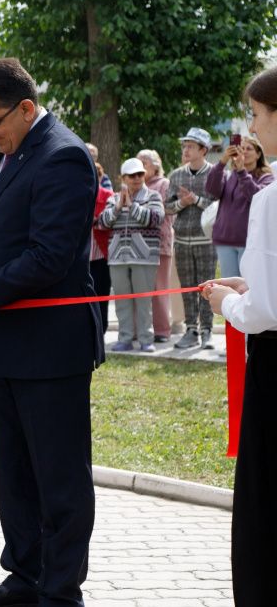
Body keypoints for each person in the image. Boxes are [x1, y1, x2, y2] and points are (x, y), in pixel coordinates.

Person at [0, 58, 103, 607]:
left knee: (58, 478)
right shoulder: (11, 155)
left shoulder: (65, 156)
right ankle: (24, 575)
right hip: (5, 344)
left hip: (50, 347)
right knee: (14, 474)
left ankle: (59, 591)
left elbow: (48, 258)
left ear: (27, 108)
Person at [201, 65, 277, 607]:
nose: (252, 127)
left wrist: (229, 301)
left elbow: (265, 310)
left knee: (264, 509)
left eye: (256, 114)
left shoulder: (271, 198)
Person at [98, 157, 164, 352]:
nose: (137, 178)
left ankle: (146, 339)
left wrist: (132, 206)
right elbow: (102, 223)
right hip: (118, 257)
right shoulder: (112, 199)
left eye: (140, 174)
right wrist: (119, 206)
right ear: (123, 178)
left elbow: (154, 219)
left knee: (144, 301)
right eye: (132, 175)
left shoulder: (153, 196)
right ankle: (125, 338)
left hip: (145, 257)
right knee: (122, 301)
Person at [166, 127, 217, 349]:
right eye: (184, 146)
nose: (185, 150)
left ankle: (207, 330)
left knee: (208, 287)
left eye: (191, 146)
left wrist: (195, 199)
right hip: (182, 240)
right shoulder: (176, 175)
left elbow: (219, 207)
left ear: (203, 150)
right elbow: (168, 208)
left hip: (207, 240)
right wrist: (182, 203)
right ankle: (191, 330)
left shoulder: (215, 174)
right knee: (186, 287)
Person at [205, 135, 273, 278]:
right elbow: (211, 190)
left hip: (250, 242)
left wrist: (242, 172)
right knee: (230, 288)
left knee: (247, 287)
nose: (245, 152)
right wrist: (222, 162)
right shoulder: (230, 175)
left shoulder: (267, 177)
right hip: (225, 240)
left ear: (258, 154)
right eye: (241, 148)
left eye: (249, 149)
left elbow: (256, 198)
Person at [137, 149, 175, 343]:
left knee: (159, 288)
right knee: (140, 288)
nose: (140, 165)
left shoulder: (164, 184)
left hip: (160, 242)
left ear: (156, 165)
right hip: (138, 245)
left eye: (144, 162)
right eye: (138, 161)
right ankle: (139, 329)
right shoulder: (135, 184)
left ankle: (162, 330)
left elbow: (169, 211)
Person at [89, 162, 113, 345]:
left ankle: (101, 332)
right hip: (81, 258)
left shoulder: (107, 196)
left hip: (101, 255)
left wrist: (95, 220)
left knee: (101, 297)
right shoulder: (77, 194)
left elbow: (108, 221)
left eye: (94, 175)